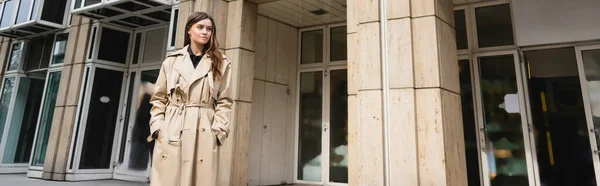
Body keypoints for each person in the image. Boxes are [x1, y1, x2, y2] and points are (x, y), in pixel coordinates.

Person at [147, 11, 233, 186]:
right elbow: (159, 98)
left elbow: (225, 101)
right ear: (189, 30)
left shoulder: (221, 62)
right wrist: (158, 127)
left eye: (209, 29)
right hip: (173, 126)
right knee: (169, 178)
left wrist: (218, 132)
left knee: (200, 180)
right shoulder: (171, 61)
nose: (205, 32)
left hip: (204, 129)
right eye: (200, 27)